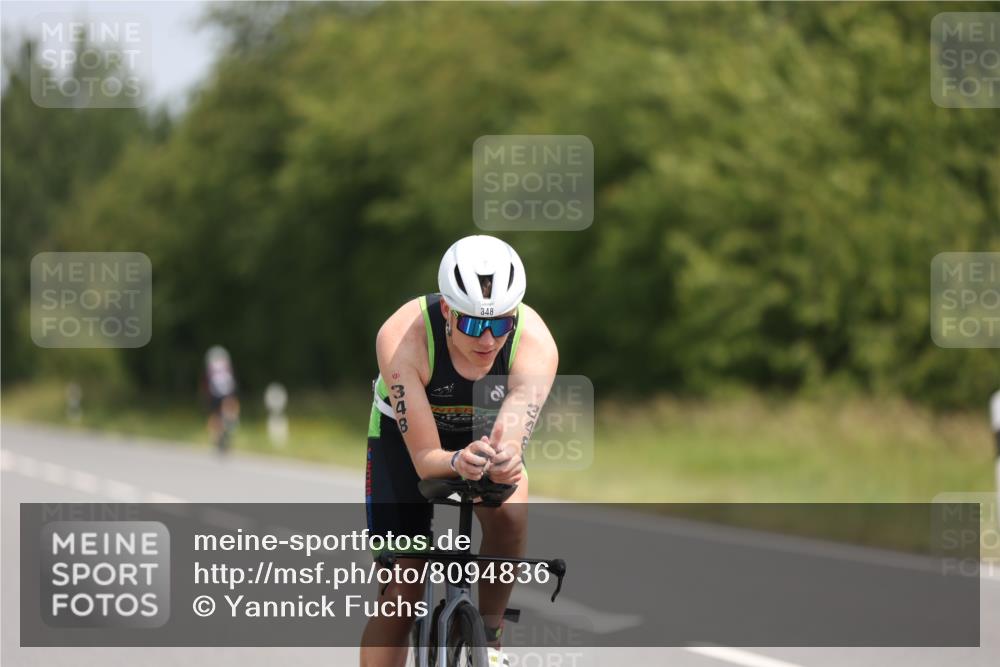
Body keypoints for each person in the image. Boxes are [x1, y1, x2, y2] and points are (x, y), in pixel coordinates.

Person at [361, 235, 558, 667]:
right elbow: (425, 458)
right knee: (403, 588)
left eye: (500, 325)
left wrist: (504, 461)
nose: (487, 339)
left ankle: (490, 639)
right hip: (406, 438)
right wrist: (453, 461)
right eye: (472, 325)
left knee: (510, 513)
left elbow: (510, 438)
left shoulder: (536, 344)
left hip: (482, 430)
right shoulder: (402, 337)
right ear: (448, 311)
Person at [203, 345, 240, 453]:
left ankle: (217, 438)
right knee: (226, 412)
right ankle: (228, 425)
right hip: (225, 392)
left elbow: (208, 381)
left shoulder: (211, 366)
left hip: (216, 393)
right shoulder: (225, 365)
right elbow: (231, 380)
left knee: (215, 416)